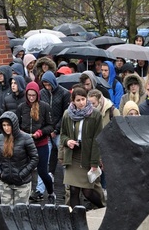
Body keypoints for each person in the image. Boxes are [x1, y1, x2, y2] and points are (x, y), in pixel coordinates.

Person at [60, 87, 104, 209]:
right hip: (73, 155)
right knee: (73, 190)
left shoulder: (95, 114)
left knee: (87, 192)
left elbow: (98, 139)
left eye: (83, 99)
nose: (81, 102)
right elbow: (62, 134)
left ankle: (103, 208)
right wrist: (67, 141)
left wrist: (94, 162)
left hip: (87, 155)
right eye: (78, 100)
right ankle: (77, 219)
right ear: (73, 101)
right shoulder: (67, 114)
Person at [16, 81, 56, 204]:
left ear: (37, 95)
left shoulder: (44, 107)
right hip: (26, 144)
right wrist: (22, 133)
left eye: (34, 95)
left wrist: (40, 132)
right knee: (25, 171)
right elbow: (16, 125)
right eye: (29, 95)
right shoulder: (22, 107)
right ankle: (25, 195)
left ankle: (50, 192)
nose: (31, 98)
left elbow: (50, 126)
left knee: (43, 172)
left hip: (41, 143)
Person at [0, 111, 39, 206]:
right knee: (6, 214)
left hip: (22, 183)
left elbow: (35, 158)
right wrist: (0, 174)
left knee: (21, 215)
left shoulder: (26, 138)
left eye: (8, 125)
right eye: (4, 125)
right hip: (5, 182)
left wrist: (22, 174)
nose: (6, 128)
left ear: (14, 124)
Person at [37, 71, 70, 199]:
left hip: (60, 131)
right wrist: (47, 129)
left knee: (64, 160)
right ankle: (40, 189)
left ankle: (68, 188)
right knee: (43, 161)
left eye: (49, 84)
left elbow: (64, 114)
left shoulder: (64, 93)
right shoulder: (42, 94)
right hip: (46, 132)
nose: (47, 87)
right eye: (45, 84)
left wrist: (55, 129)